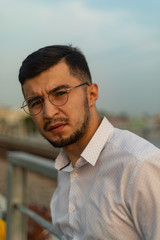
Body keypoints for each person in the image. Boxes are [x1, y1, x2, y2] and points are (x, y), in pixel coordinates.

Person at [18, 45, 160, 240]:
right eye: (36, 102)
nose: (49, 113)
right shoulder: (68, 166)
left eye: (60, 93)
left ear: (91, 94)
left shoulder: (140, 167)